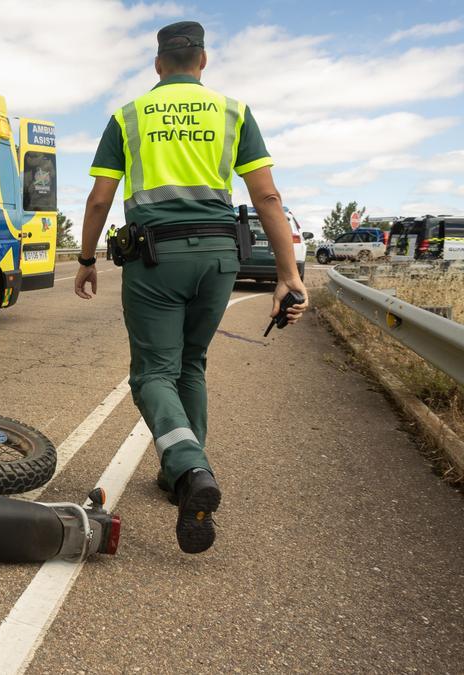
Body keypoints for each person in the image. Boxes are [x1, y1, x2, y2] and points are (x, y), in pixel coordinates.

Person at [73, 20, 308, 554]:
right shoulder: (234, 112)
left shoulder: (128, 115)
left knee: (153, 372)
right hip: (219, 257)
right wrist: (290, 277)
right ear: (203, 62)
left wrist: (86, 259)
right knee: (191, 364)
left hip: (156, 259)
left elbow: (98, 199)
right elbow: (268, 198)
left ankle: (189, 466)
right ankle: (178, 475)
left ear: (159, 65)